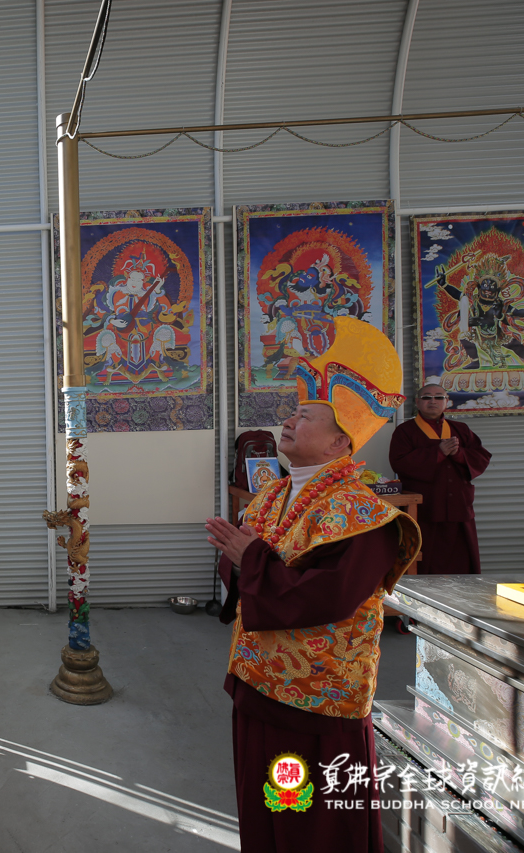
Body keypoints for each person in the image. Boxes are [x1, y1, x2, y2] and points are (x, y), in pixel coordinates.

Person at [204, 317, 420, 852]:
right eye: (294, 411)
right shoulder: (270, 497)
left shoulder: (363, 515)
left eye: (305, 415)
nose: (289, 420)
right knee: (267, 811)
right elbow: (248, 574)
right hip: (258, 685)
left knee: (312, 825)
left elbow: (327, 597)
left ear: (338, 443)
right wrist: (240, 561)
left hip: (316, 703)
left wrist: (251, 558)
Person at [389, 383, 491, 574]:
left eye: (438, 397)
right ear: (417, 402)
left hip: (458, 506)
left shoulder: (460, 429)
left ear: (447, 401)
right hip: (425, 507)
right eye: (426, 397)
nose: (432, 401)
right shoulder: (405, 431)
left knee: (461, 559)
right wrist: (438, 453)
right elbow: (399, 463)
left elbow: (481, 458)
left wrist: (458, 454)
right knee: (424, 557)